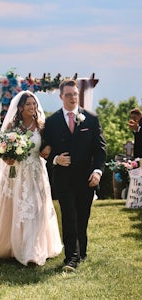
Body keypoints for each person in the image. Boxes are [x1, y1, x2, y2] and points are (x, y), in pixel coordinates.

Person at [41, 79, 106, 272]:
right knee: (69, 217)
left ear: (78, 95)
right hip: (63, 179)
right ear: (61, 97)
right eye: (68, 94)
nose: (72, 97)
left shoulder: (91, 119)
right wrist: (55, 159)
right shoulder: (51, 122)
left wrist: (98, 171)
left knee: (82, 218)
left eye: (75, 94)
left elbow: (100, 149)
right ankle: (71, 258)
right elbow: (44, 150)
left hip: (86, 179)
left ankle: (81, 251)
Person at [0, 91, 63, 266]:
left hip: (36, 171)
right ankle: (15, 246)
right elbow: (3, 150)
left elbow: (50, 144)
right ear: (21, 107)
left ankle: (33, 250)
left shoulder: (41, 126)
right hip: (16, 173)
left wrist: (48, 148)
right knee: (18, 207)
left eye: (34, 104)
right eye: (29, 104)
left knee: (37, 208)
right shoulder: (11, 127)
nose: (33, 107)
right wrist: (7, 158)